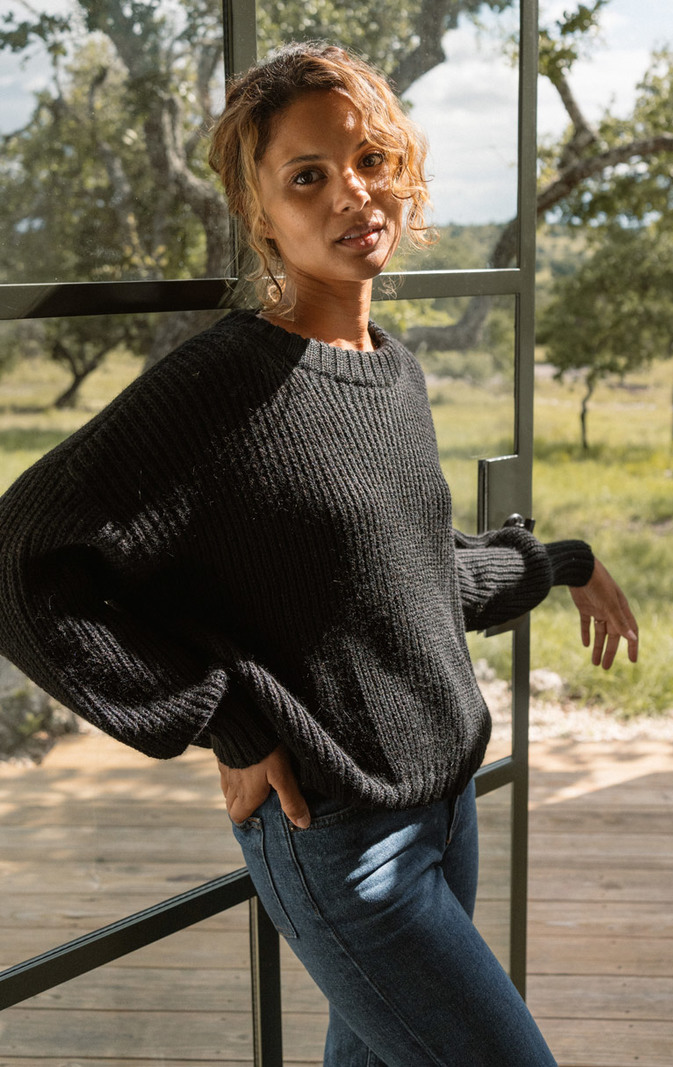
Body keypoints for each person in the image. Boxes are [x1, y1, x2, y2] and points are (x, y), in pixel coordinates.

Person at [0, 42, 638, 1066]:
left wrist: (561, 561)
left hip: (446, 808)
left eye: (370, 159)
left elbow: (418, 580)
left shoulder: (392, 374)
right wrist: (226, 717)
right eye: (308, 176)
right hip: (344, 842)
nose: (352, 193)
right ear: (260, 213)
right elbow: (18, 561)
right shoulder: (219, 385)